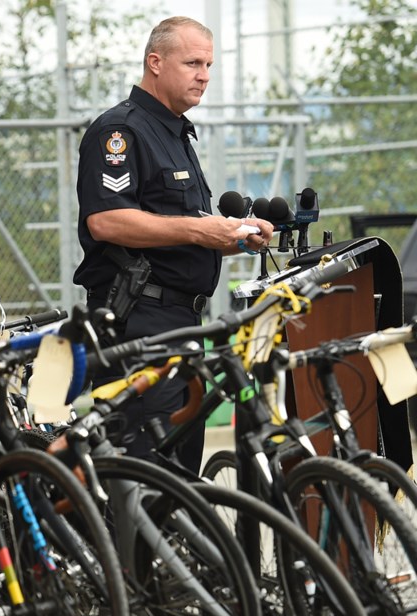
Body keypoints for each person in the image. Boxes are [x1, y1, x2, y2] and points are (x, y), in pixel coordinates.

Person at [75, 16, 274, 473]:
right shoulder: (121, 131)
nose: (204, 74)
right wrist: (202, 230)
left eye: (208, 64)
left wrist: (235, 237)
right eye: (192, 62)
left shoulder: (176, 132)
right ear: (155, 63)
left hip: (182, 323)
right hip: (139, 325)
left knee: (180, 475)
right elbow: (106, 220)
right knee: (146, 475)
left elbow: (179, 232)